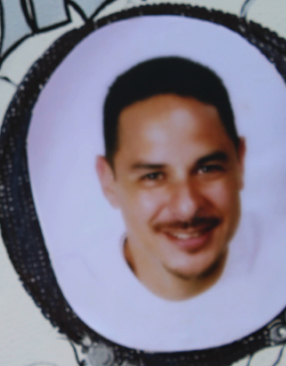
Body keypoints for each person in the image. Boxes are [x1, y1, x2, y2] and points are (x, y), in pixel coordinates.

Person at [95, 56, 246, 301]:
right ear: (108, 182)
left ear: (240, 163)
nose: (188, 207)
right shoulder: (73, 293)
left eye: (208, 169)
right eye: (153, 176)